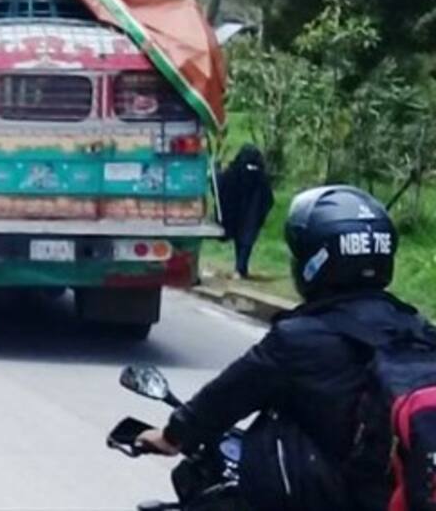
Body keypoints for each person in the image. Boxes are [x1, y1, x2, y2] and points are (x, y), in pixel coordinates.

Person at [137, 185, 434, 511]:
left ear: (315, 262)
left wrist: (172, 436)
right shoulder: (417, 329)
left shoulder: (297, 338)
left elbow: (226, 396)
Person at [219, 144, 275, 278]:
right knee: (246, 241)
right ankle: (241, 268)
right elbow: (269, 198)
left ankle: (240, 268)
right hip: (252, 214)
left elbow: (222, 184)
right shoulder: (261, 176)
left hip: (237, 213)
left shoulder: (234, 171)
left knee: (240, 240)